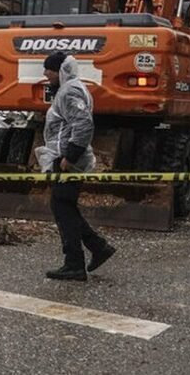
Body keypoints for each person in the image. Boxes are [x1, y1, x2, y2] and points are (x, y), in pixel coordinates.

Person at [40, 52, 116, 282]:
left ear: (60, 71)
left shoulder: (70, 91)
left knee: (62, 206)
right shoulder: (69, 89)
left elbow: (83, 124)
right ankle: (98, 247)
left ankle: (75, 263)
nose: (45, 74)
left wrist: (70, 156)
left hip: (70, 160)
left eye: (49, 70)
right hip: (66, 157)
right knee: (64, 206)